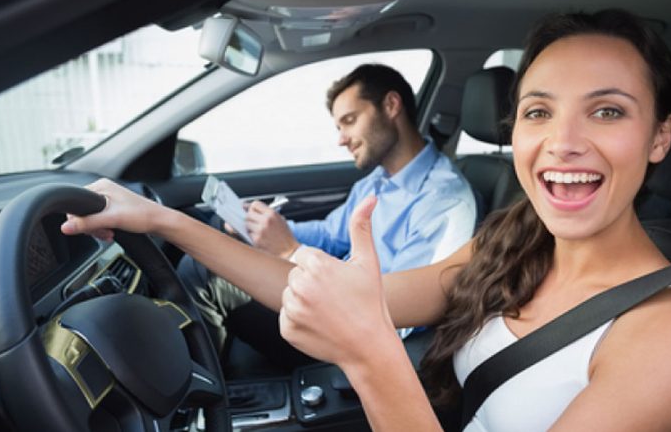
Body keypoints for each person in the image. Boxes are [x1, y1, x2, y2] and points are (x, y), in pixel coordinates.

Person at [62, 9, 671, 431]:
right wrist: (162, 221)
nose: (563, 142)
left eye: (607, 110)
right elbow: (324, 292)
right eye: (538, 111)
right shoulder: (513, 240)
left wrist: (370, 354)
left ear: (661, 136)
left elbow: (368, 333)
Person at [176, 63, 478, 364]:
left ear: (390, 105)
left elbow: (396, 315)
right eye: (339, 127)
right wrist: (266, 229)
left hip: (350, 332)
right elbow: (332, 235)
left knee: (204, 271)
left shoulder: (444, 201)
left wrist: (291, 252)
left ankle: (202, 400)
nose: (341, 139)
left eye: (350, 120)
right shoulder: (377, 180)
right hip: (334, 297)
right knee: (218, 240)